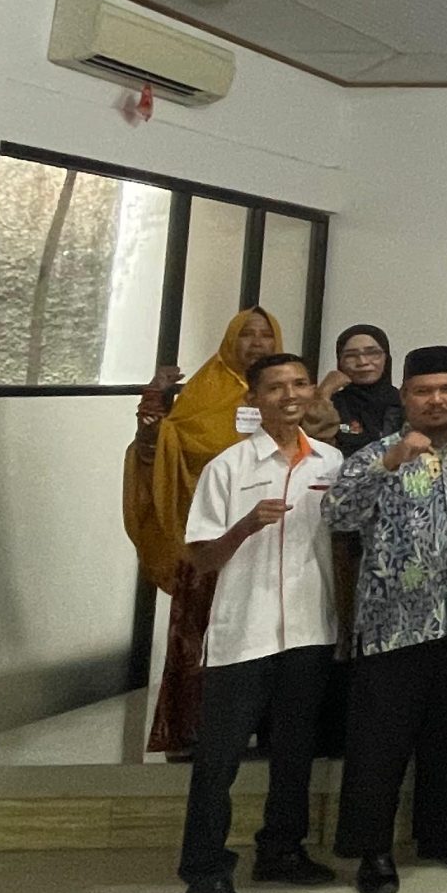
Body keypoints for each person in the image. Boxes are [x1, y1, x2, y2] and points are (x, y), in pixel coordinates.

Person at [173, 351, 343, 893]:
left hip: (309, 630)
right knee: (218, 760)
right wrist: (245, 526)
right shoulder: (229, 467)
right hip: (242, 634)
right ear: (254, 399)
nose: (289, 395)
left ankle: (281, 850)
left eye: (299, 384)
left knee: (294, 752)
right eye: (275, 388)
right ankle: (205, 870)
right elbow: (199, 557)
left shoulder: (333, 462)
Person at [322, 345, 447, 893]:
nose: (436, 400)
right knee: (380, 744)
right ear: (405, 395)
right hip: (394, 625)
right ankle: (372, 849)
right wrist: (390, 461)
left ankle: (441, 836)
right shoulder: (374, 454)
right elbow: (338, 514)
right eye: (424, 391)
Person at [126, 306, 284, 757]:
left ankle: (264, 732)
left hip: (272, 533)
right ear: (230, 340)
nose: (256, 344)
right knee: (200, 636)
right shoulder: (203, 389)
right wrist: (154, 398)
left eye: (265, 335)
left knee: (267, 637)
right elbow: (159, 445)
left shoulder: (285, 388)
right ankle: (191, 734)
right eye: (246, 335)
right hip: (209, 534)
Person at [309, 324, 405, 450]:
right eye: (351, 355)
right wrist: (323, 394)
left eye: (372, 353)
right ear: (340, 361)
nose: (362, 362)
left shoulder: (404, 402)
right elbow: (316, 450)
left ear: (386, 358)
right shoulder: (332, 405)